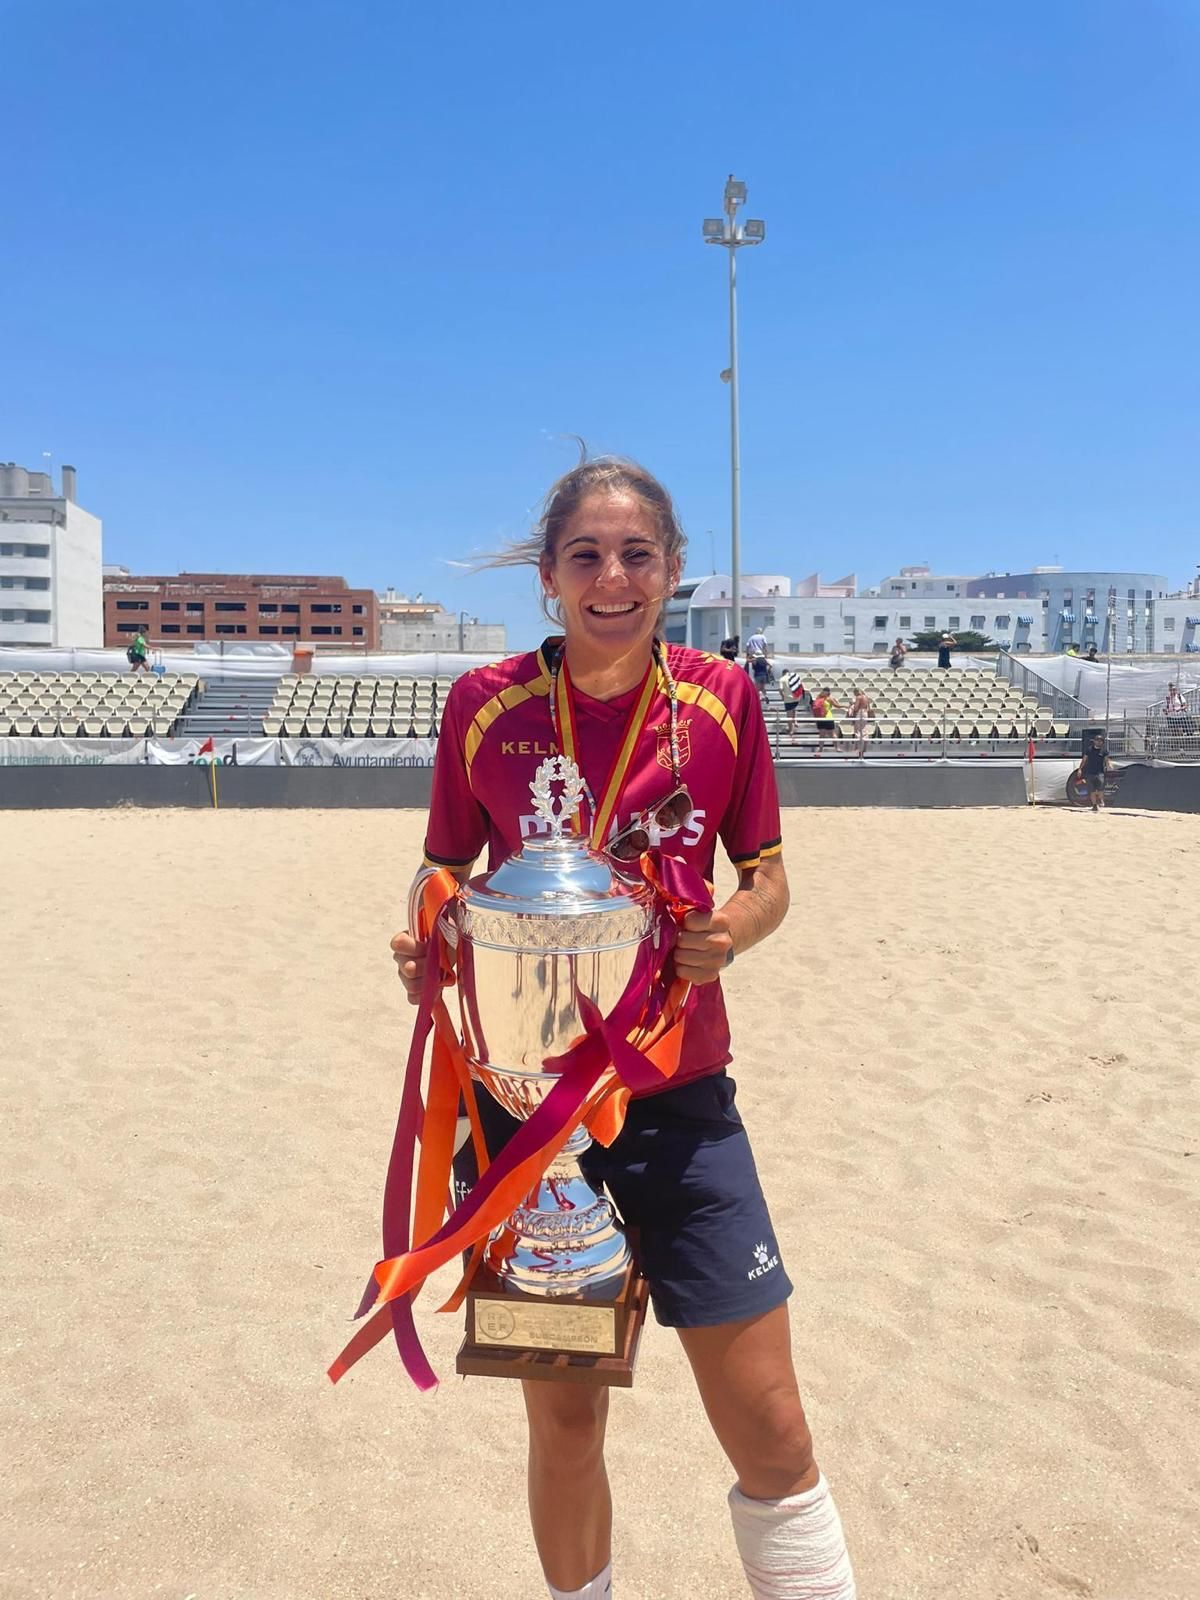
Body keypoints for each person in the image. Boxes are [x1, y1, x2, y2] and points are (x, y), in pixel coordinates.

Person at [391, 457, 856, 1600]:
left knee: (774, 1429)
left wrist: (730, 930)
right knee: (565, 1431)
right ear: (549, 578)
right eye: (586, 556)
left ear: (673, 569)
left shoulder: (721, 699)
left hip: (683, 1101)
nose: (612, 577)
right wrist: (431, 933)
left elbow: (772, 875)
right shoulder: (484, 705)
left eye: (636, 553)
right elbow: (444, 868)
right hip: (528, 1121)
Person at [809, 685, 841, 753]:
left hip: (820, 718)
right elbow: (837, 706)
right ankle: (837, 748)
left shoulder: (818, 697)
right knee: (833, 734)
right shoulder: (829, 699)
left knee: (822, 734)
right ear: (829, 692)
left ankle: (820, 749)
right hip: (828, 718)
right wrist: (845, 706)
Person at [777, 668, 806, 739]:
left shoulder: (782, 679)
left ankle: (791, 730)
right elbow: (801, 685)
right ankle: (795, 721)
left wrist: (782, 696)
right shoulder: (794, 676)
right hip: (796, 698)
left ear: (783, 673)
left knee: (789, 715)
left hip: (788, 699)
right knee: (794, 709)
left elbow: (780, 689)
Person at [848, 687, 873, 758]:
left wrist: (852, 704)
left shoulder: (859, 697)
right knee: (864, 730)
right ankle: (864, 748)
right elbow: (869, 708)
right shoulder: (866, 697)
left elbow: (856, 708)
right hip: (865, 713)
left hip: (860, 713)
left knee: (858, 731)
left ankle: (858, 749)